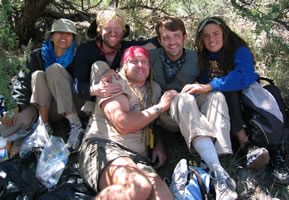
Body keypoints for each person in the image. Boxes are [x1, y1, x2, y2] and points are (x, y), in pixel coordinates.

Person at [149, 16, 237, 199]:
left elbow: (211, 81)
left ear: (185, 37)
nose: (172, 42)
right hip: (166, 114)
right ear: (159, 41)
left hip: (189, 111)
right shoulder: (150, 58)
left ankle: (215, 163)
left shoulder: (196, 59)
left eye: (176, 36)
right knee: (185, 99)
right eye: (166, 38)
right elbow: (129, 65)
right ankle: (217, 172)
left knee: (216, 96)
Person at [194, 16, 289, 184]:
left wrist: (210, 86)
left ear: (224, 33)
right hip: (223, 116)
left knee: (229, 88)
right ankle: (244, 148)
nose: (211, 39)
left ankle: (275, 154)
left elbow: (243, 77)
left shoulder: (239, 51)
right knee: (220, 94)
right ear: (201, 39)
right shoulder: (202, 58)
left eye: (216, 34)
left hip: (248, 107)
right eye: (206, 36)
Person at [79, 46, 175, 200]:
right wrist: (160, 107)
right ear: (124, 65)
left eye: (144, 61)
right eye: (133, 61)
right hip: (105, 146)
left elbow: (150, 122)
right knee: (138, 187)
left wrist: (158, 143)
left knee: (163, 197)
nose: (140, 65)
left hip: (138, 157)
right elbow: (123, 124)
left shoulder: (154, 89)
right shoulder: (114, 80)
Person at [0, 18, 85, 153]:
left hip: (70, 104)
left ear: (73, 38)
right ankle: (43, 128)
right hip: (44, 107)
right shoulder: (37, 56)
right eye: (59, 33)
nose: (63, 37)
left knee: (53, 69)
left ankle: (76, 125)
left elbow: (83, 85)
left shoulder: (79, 56)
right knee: (37, 75)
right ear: (51, 37)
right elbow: (23, 82)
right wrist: (15, 106)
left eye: (68, 34)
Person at [73, 7, 160, 103]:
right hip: (90, 102)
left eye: (117, 29)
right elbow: (78, 86)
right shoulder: (86, 49)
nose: (113, 33)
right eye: (107, 29)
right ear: (100, 30)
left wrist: (135, 53)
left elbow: (156, 41)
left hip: (118, 102)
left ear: (123, 31)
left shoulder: (127, 48)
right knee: (99, 65)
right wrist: (97, 90)